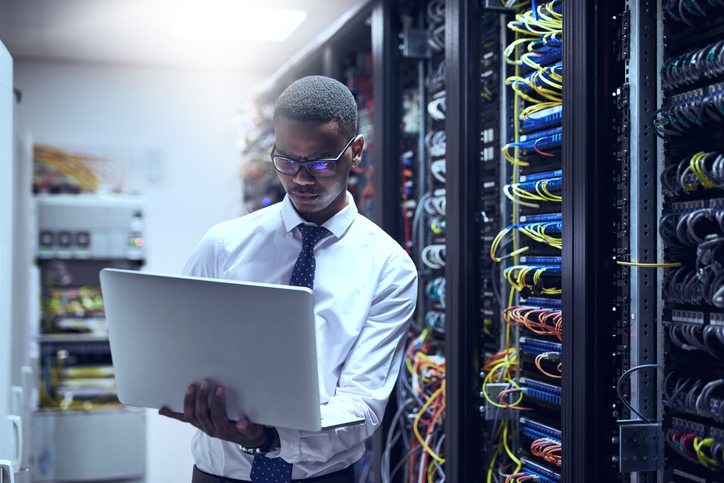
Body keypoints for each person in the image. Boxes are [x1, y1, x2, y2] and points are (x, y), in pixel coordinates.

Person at [159, 75, 418, 483]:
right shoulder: (224, 245)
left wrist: (270, 438)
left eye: (321, 163)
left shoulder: (388, 267)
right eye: (287, 161)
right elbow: (178, 350)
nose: (301, 178)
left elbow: (363, 404)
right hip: (218, 475)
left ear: (357, 152)